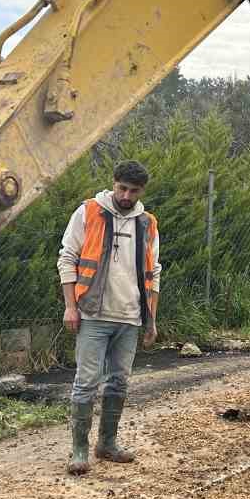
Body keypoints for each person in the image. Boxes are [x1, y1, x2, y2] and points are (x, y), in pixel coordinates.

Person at [57, 159, 161, 475]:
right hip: (92, 314)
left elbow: (153, 273)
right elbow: (67, 257)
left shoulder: (148, 223)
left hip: (129, 318)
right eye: (122, 188)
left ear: (142, 191)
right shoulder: (88, 211)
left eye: (134, 191)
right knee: (86, 382)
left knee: (119, 381)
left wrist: (151, 319)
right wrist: (70, 306)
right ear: (113, 183)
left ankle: (107, 443)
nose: (127, 196)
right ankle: (79, 450)